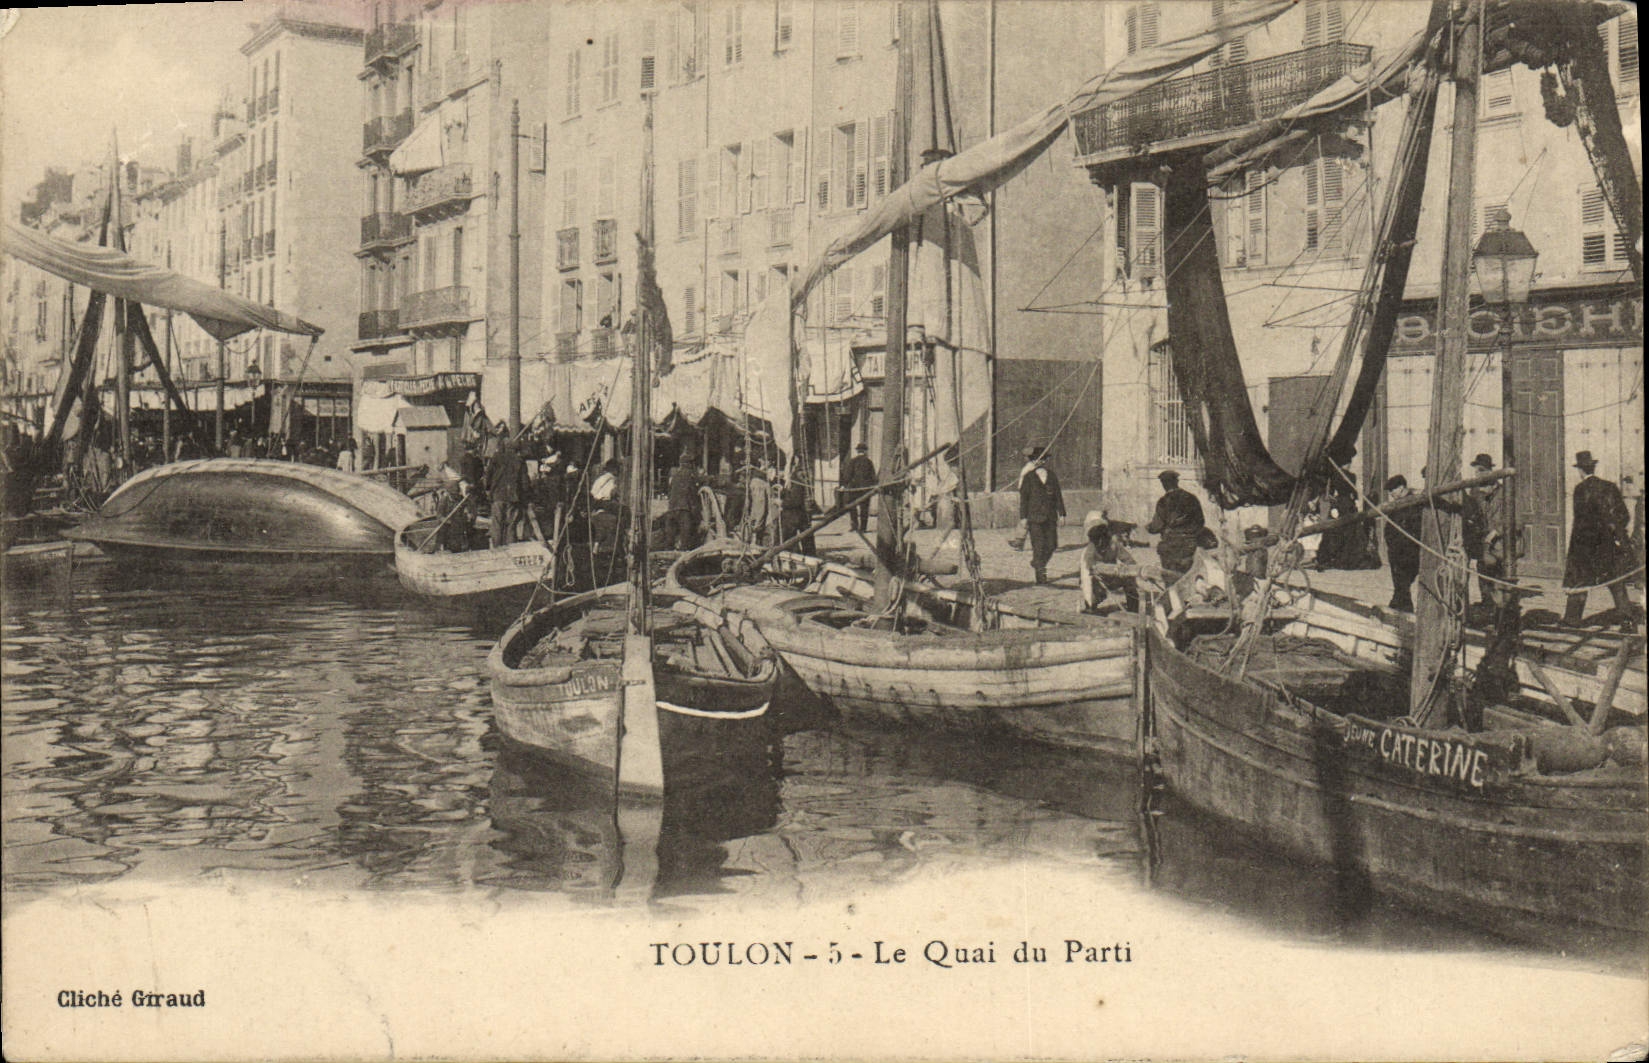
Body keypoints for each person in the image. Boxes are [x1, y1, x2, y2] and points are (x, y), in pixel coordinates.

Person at [1562, 451, 1637, 631]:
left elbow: (1581, 522)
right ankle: (1627, 621)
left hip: (1586, 545)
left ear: (1580, 470)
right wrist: (1612, 532)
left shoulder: (1580, 490)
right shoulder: (1610, 487)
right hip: (1608, 544)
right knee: (1615, 581)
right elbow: (1624, 516)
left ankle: (1572, 620)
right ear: (1593, 467)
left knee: (1579, 580)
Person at [1147, 469, 1205, 581]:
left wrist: (1149, 528)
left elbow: (1156, 526)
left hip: (1171, 545)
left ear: (1163, 484)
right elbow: (1201, 521)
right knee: (1188, 577)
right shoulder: (1191, 498)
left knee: (1170, 578)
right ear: (1176, 482)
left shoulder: (1163, 501)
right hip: (1189, 545)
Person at [1019, 446, 1065, 585]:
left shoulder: (1051, 476)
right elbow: (1024, 499)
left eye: (1042, 459)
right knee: (1038, 546)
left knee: (1052, 545)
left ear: (1045, 460)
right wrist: (1023, 517)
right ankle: (1041, 575)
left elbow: (1058, 495)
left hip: (1050, 517)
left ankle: (1037, 563)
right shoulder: (1028, 477)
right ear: (1033, 461)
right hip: (1034, 517)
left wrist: (1062, 514)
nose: (1040, 462)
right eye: (1036, 459)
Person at [1080, 510, 1137, 613]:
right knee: (1092, 589)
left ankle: (1134, 607)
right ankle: (1090, 606)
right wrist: (1099, 569)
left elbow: (1129, 560)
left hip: (1113, 576)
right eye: (1098, 541)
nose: (1101, 544)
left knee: (1130, 580)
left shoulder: (1113, 544)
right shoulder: (1090, 549)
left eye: (1103, 540)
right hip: (1099, 579)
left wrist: (1127, 569)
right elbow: (1087, 571)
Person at [1382, 474, 1423, 612]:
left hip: (1408, 551)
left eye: (1392, 490)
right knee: (1401, 584)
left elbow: (1415, 527)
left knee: (1402, 583)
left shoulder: (1414, 502)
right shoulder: (1398, 503)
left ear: (1401, 488)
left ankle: (1399, 607)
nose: (1391, 494)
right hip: (1396, 550)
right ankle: (1401, 607)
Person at [486, 429, 528, 547]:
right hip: (513, 496)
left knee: (497, 523)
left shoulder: (496, 458)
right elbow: (525, 483)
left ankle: (497, 548)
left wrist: (488, 488)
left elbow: (488, 476)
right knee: (511, 524)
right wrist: (524, 496)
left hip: (498, 495)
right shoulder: (519, 461)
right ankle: (511, 547)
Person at [665, 455, 703, 551]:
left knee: (670, 536)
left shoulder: (675, 475)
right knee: (686, 535)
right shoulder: (691, 475)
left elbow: (669, 491)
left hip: (672, 508)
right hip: (684, 508)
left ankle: (668, 554)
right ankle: (684, 555)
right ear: (690, 464)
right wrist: (696, 512)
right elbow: (692, 493)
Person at [841, 442, 878, 534]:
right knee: (864, 508)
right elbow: (873, 476)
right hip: (865, 489)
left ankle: (854, 526)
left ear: (857, 451)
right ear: (865, 451)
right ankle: (863, 528)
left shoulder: (853, 461)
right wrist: (873, 486)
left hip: (854, 488)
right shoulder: (869, 462)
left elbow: (847, 475)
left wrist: (844, 485)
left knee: (852, 507)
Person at [779, 468, 817, 555]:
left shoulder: (796, 481)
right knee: (807, 537)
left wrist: (782, 503)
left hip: (794, 514)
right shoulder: (800, 480)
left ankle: (794, 556)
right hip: (803, 514)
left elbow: (795, 500)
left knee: (790, 538)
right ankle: (810, 556)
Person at [1009, 444, 1040, 551]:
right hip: (1025, 493)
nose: (1024, 458)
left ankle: (1020, 541)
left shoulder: (1031, 467)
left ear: (1028, 457)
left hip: (1030, 495)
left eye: (1025, 456)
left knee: (1026, 518)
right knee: (1024, 518)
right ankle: (1019, 541)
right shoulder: (1030, 466)